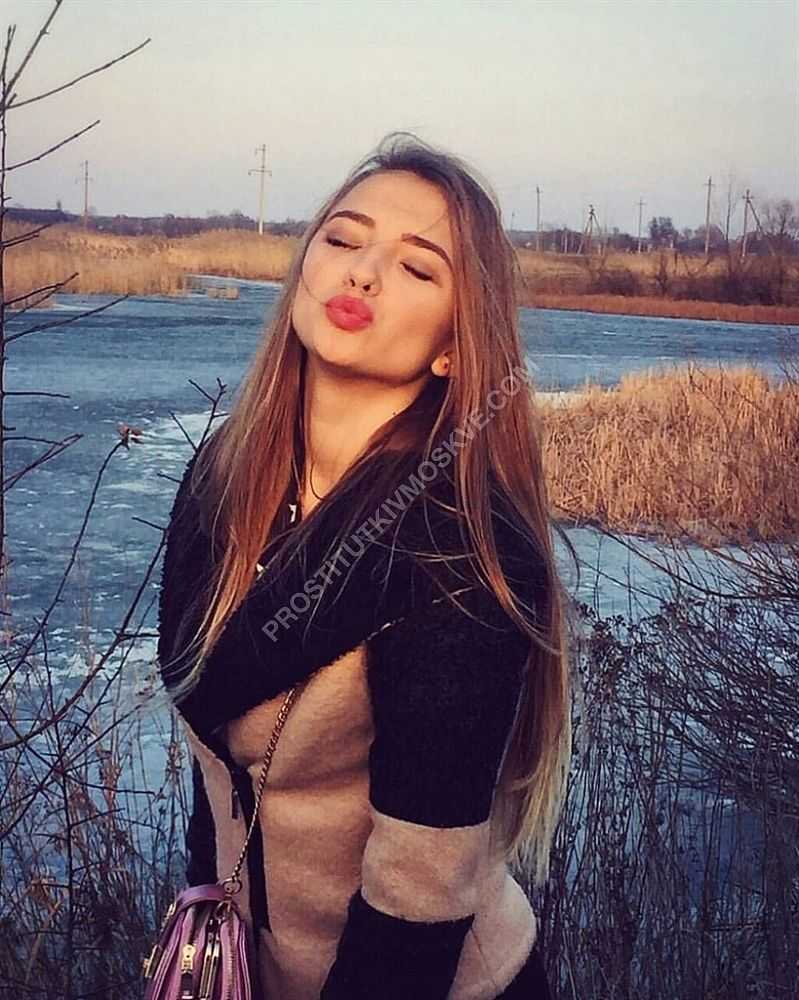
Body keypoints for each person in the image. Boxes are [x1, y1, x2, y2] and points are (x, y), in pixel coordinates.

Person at [157, 131, 573, 1000]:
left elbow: (416, 904)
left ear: (455, 344)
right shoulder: (225, 479)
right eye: (343, 239)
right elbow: (218, 763)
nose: (363, 273)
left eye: (417, 267)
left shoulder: (458, 549)